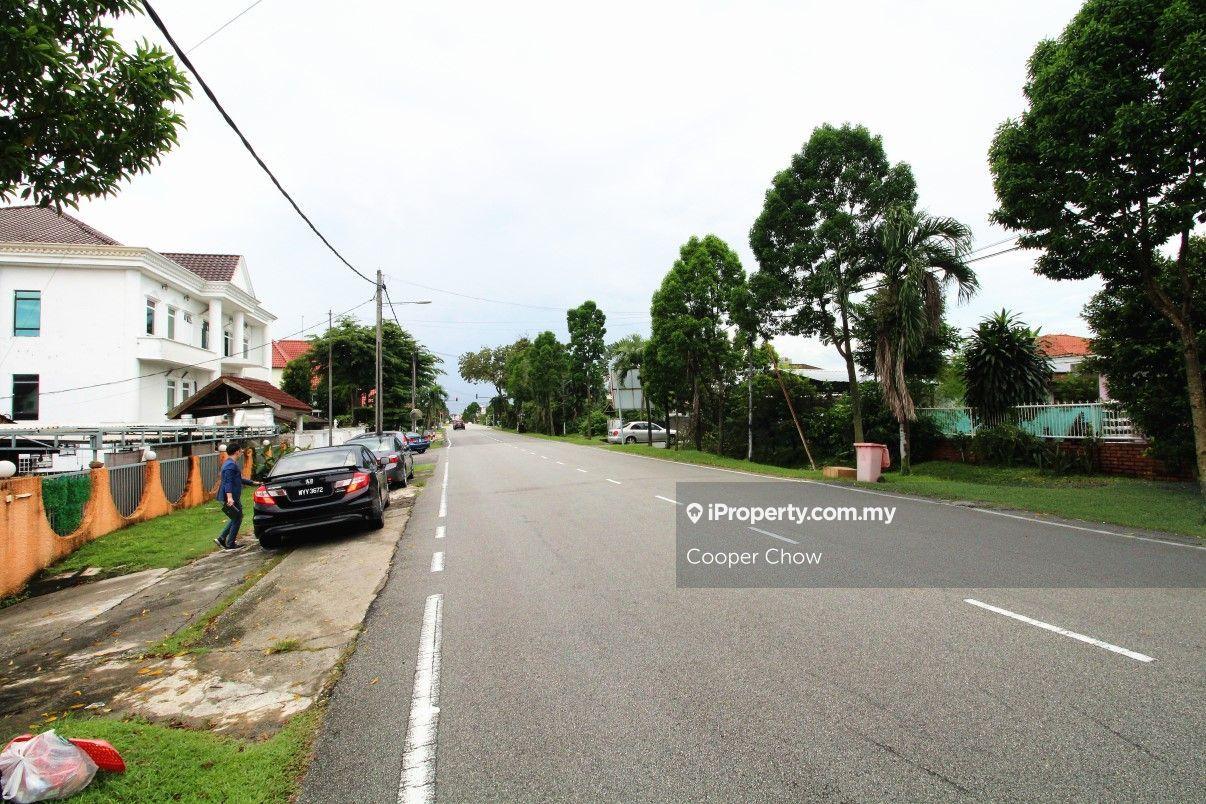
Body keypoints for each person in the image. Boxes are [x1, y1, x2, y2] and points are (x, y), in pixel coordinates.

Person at [216, 442, 256, 550]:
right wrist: (229, 498)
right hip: (231, 497)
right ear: (237, 451)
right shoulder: (230, 465)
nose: (242, 452)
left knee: (236, 517)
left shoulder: (230, 463)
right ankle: (230, 543)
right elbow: (228, 482)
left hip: (233, 496)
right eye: (240, 451)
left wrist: (252, 483)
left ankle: (222, 538)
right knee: (237, 518)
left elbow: (239, 479)